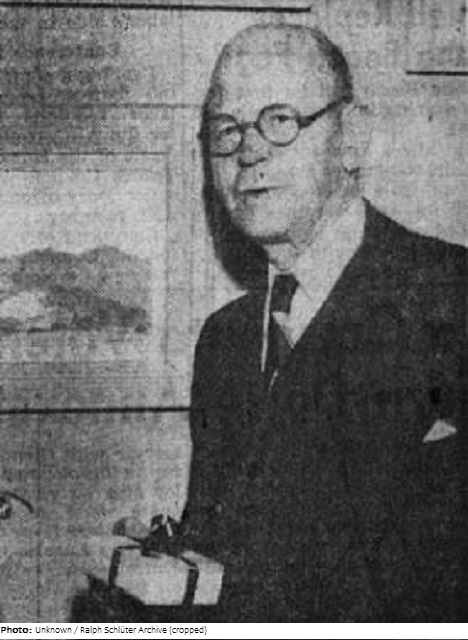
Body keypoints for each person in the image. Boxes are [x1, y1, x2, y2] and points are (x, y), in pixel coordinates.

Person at [180, 23, 467, 622]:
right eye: (227, 130)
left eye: (280, 120)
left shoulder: (453, 298)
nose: (249, 152)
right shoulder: (223, 341)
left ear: (352, 138)